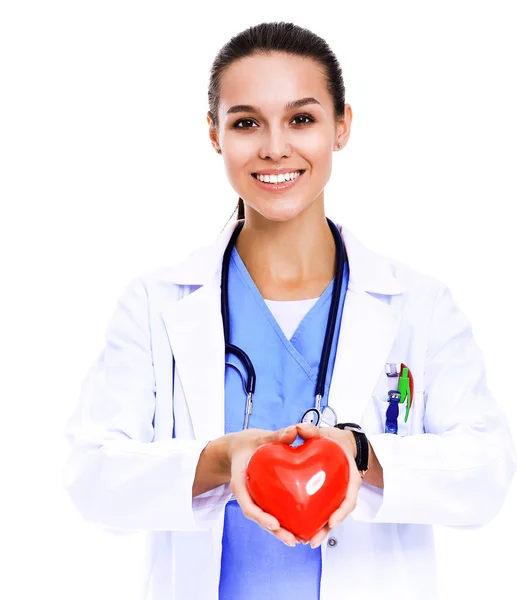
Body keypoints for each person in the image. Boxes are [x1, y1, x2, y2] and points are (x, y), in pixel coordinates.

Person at [62, 21, 517, 600]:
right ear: (214, 133)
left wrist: (358, 451)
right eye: (247, 122)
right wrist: (224, 458)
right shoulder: (158, 302)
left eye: (301, 118)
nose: (275, 147)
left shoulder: (417, 304)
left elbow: (487, 472)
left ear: (342, 125)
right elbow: (93, 477)